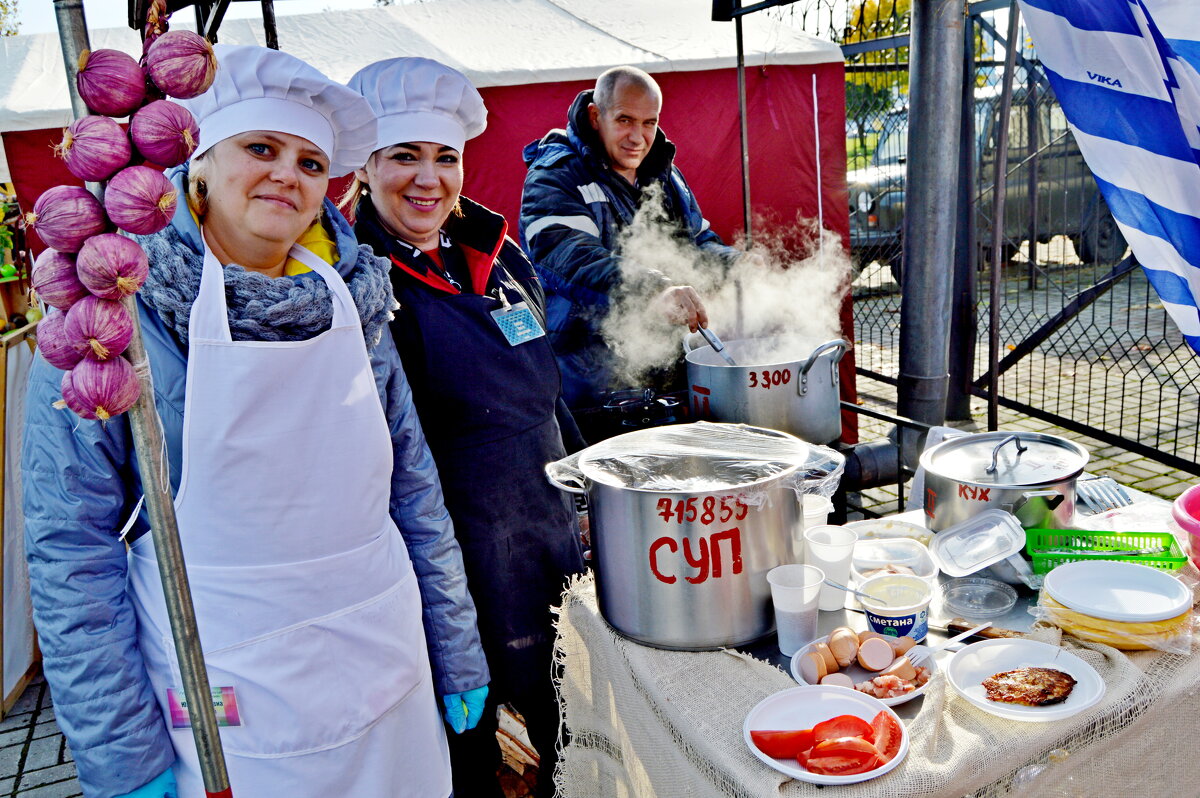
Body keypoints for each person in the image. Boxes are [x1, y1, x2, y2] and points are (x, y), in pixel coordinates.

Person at [22, 45, 489, 798]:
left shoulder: (354, 299)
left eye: (311, 163)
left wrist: (456, 648)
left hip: (382, 658)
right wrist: (122, 751)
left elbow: (413, 489)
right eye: (262, 148)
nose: (288, 175)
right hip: (226, 686)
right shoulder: (109, 314)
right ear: (201, 162)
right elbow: (69, 547)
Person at [344, 57, 587, 798]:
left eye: (444, 158)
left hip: (548, 535)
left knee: (569, 726)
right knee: (488, 759)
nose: (428, 180)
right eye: (403, 157)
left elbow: (543, 395)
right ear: (364, 169)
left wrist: (590, 493)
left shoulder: (500, 254)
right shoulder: (359, 283)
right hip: (459, 564)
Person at [519, 64, 745, 432]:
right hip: (586, 378)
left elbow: (697, 244)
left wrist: (745, 267)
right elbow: (570, 254)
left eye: (649, 123)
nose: (638, 137)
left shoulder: (665, 174)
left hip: (664, 367)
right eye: (625, 120)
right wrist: (654, 288)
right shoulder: (556, 174)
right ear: (596, 116)